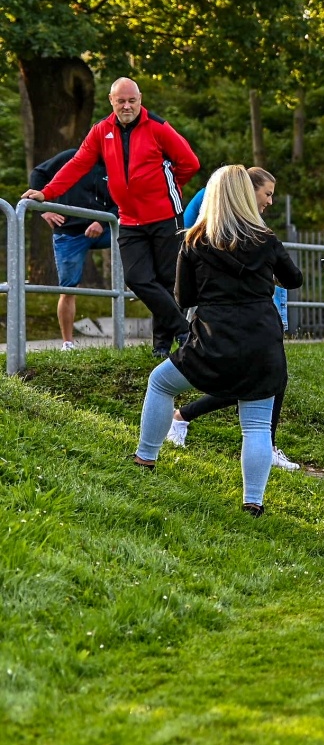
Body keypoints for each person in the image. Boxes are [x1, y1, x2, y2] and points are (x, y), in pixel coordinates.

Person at [132, 165, 302, 515]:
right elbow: (294, 279)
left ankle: (145, 458)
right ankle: (253, 502)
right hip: (262, 340)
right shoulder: (266, 239)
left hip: (212, 339)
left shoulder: (195, 240)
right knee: (256, 424)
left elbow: (183, 297)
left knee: (160, 382)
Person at [23, 78, 201, 357]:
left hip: (166, 214)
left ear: (140, 100)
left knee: (167, 280)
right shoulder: (101, 131)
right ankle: (184, 330)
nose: (127, 106)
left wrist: (167, 188)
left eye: (132, 100)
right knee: (137, 278)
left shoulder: (158, 127)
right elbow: (77, 164)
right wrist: (47, 193)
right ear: (111, 101)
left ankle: (161, 346)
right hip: (129, 219)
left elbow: (190, 163)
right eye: (121, 101)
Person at [165, 168, 299, 471]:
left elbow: (184, 296)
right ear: (246, 192)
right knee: (255, 384)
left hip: (241, 324)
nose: (270, 201)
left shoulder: (240, 235)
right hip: (240, 326)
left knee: (263, 381)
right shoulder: (250, 236)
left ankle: (165, 436)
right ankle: (170, 431)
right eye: (267, 194)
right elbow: (293, 278)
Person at [28, 149, 115, 349]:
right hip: (69, 231)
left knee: (135, 233)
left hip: (105, 227)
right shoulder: (71, 156)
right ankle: (68, 343)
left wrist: (102, 223)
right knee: (67, 288)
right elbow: (38, 174)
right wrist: (45, 209)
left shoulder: (118, 162)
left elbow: (125, 199)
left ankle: (137, 285)